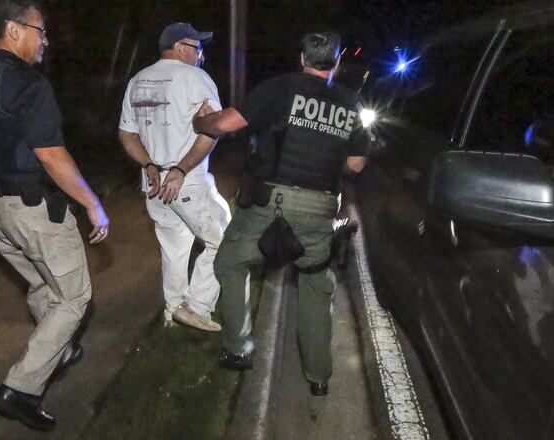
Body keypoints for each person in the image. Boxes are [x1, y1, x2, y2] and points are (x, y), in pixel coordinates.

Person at [0, 0, 109, 431]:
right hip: (32, 210)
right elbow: (52, 155)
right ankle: (19, 389)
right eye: (40, 30)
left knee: (43, 283)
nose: (45, 40)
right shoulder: (27, 83)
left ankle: (61, 348)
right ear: (13, 30)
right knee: (74, 299)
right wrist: (92, 203)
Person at [193, 31, 369, 396]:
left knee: (229, 262)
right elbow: (355, 164)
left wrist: (200, 122)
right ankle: (319, 376)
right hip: (321, 209)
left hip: (268, 205)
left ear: (302, 58)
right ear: (336, 63)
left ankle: (238, 349)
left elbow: (224, 124)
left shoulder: (279, 89)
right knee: (316, 284)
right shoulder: (351, 103)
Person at [118, 22, 231, 332]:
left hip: (153, 184)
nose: (202, 56)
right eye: (198, 49)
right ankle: (197, 307)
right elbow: (211, 130)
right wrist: (180, 169)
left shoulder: (137, 81)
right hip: (186, 181)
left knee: (174, 248)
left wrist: (149, 164)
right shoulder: (195, 79)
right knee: (223, 241)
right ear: (181, 48)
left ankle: (173, 313)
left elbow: (126, 133)